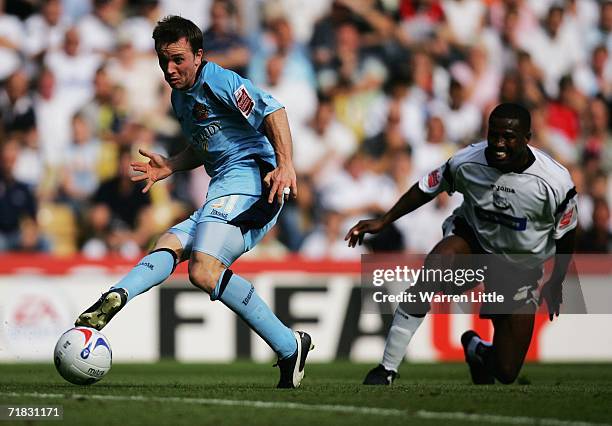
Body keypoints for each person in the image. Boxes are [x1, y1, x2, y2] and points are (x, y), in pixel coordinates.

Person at [74, 15, 313, 389]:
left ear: (198, 55)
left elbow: (273, 110)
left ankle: (288, 345)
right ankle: (116, 295)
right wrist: (171, 164)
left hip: (254, 181)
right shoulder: (179, 97)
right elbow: (205, 146)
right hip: (223, 188)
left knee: (202, 269)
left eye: (178, 60)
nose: (169, 69)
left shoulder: (217, 79)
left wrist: (285, 165)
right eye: (163, 60)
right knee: (168, 244)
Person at [346, 103, 577, 385]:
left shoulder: (555, 182)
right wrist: (384, 220)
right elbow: (427, 187)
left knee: (505, 372)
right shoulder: (467, 160)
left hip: (520, 268)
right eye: (494, 135)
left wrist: (557, 280)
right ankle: (387, 368)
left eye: (508, 137)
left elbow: (566, 233)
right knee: (433, 270)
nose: (499, 144)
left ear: (527, 138)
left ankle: (476, 349)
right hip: (473, 243)